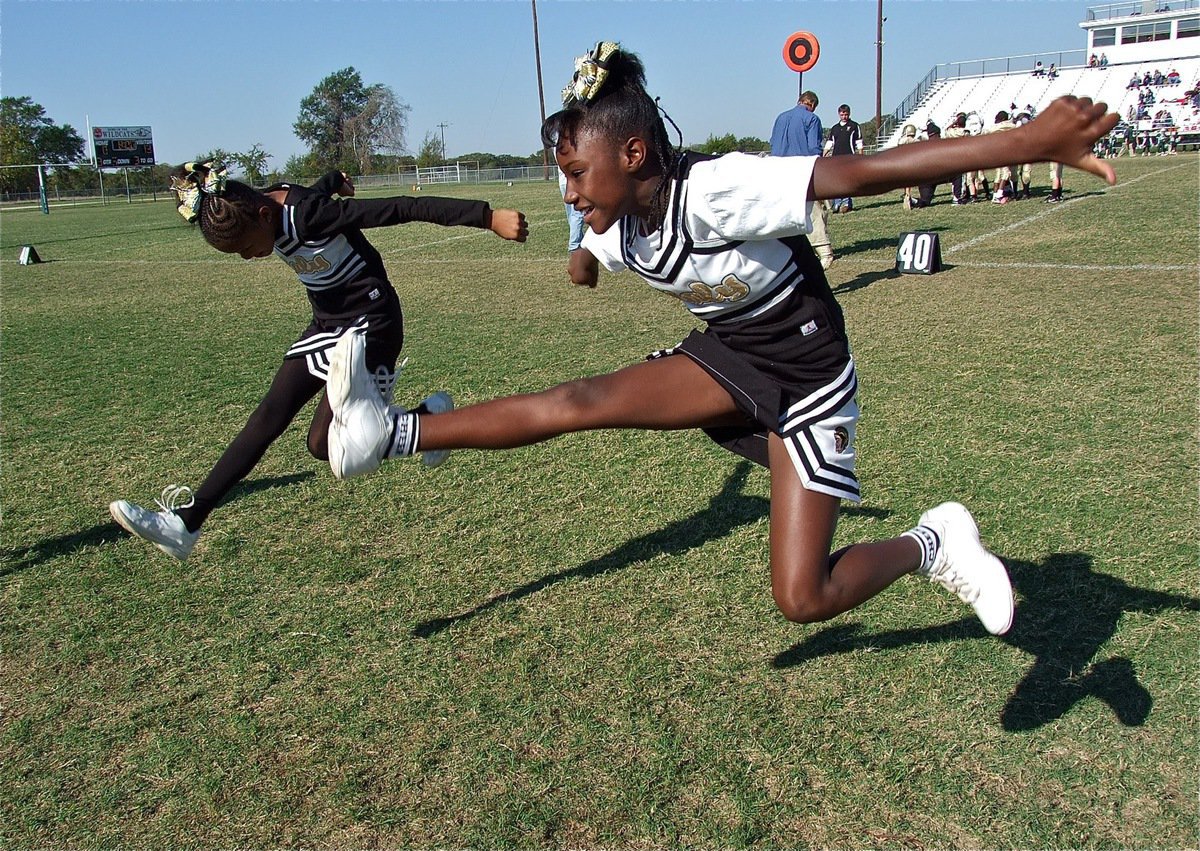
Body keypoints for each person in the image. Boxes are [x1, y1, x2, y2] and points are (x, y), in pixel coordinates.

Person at [324, 42, 1119, 639]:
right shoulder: (618, 220)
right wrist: (581, 255)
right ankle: (389, 431)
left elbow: (860, 174)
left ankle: (934, 541)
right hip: (732, 358)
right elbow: (588, 257)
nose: (567, 191)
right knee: (581, 401)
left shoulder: (714, 193)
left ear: (635, 154)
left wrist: (1024, 145)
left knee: (802, 598)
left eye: (575, 173)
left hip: (809, 378)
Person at [108, 164, 529, 560]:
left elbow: (403, 207)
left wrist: (487, 217)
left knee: (324, 445)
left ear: (261, 215)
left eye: (246, 248)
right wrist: (334, 179)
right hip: (327, 324)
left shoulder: (309, 217)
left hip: (372, 323)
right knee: (270, 415)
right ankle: (185, 523)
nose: (247, 257)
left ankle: (433, 425)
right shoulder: (269, 203)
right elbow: (311, 187)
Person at [771, 90, 834, 269]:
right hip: (802, 172)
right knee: (813, 212)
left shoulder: (780, 118)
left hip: (778, 171)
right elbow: (814, 148)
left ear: (799, 101)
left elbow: (773, 144)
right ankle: (824, 252)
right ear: (812, 105)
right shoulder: (812, 119)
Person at [559, 168, 599, 287]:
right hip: (573, 180)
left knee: (572, 215)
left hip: (563, 181)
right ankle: (575, 247)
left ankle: (577, 245)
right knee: (577, 214)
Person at [824, 103, 863, 213]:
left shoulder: (854, 126)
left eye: (846, 114)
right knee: (836, 181)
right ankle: (837, 203)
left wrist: (860, 155)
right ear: (839, 114)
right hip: (836, 158)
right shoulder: (835, 128)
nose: (844, 116)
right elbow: (830, 142)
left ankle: (846, 202)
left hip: (849, 157)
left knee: (847, 181)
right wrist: (825, 153)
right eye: (842, 114)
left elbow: (859, 141)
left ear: (849, 114)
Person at [896, 123, 919, 209]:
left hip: (904, 162)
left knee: (906, 181)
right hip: (912, 162)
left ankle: (907, 196)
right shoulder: (916, 141)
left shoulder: (902, 140)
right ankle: (907, 195)